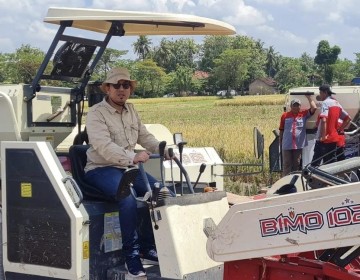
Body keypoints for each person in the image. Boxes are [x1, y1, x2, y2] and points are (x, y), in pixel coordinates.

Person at [84, 67, 167, 277]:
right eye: (117, 85)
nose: (122, 89)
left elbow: (145, 137)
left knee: (159, 191)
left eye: (126, 85)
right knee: (127, 198)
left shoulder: (131, 110)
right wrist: (132, 157)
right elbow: (103, 145)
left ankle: (150, 247)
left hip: (127, 168)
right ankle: (132, 255)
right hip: (101, 169)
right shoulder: (96, 113)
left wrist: (163, 149)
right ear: (108, 88)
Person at [311, 84, 351, 166]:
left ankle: (315, 179)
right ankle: (331, 179)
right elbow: (348, 119)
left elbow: (324, 120)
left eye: (321, 93)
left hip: (324, 140)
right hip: (333, 139)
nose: (320, 95)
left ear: (325, 93)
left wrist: (323, 136)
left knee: (315, 164)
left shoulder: (325, 103)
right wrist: (339, 130)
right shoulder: (337, 103)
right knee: (330, 165)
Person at [279, 95, 317, 176]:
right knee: (286, 163)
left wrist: (309, 97)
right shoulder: (284, 115)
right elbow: (281, 129)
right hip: (287, 144)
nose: (296, 107)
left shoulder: (303, 114)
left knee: (296, 163)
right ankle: (285, 181)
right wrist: (280, 141)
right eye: (294, 105)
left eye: (297, 105)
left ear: (300, 106)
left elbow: (314, 108)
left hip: (298, 144)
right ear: (291, 106)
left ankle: (294, 180)